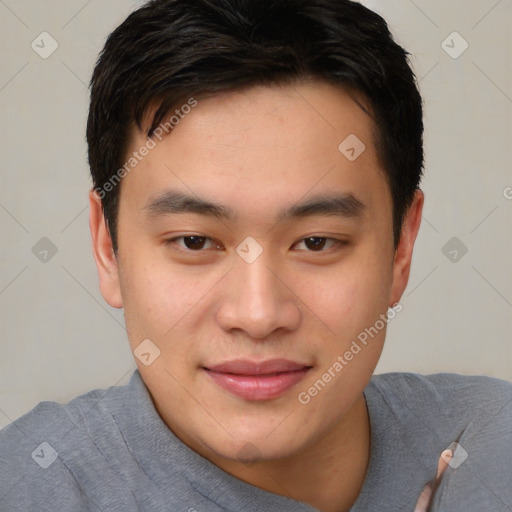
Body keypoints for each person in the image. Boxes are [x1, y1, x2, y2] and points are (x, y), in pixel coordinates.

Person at [1, 0, 511, 510]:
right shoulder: (30, 486)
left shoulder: (491, 444)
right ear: (107, 247)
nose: (258, 314)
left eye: (316, 242)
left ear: (401, 247)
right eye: (194, 241)